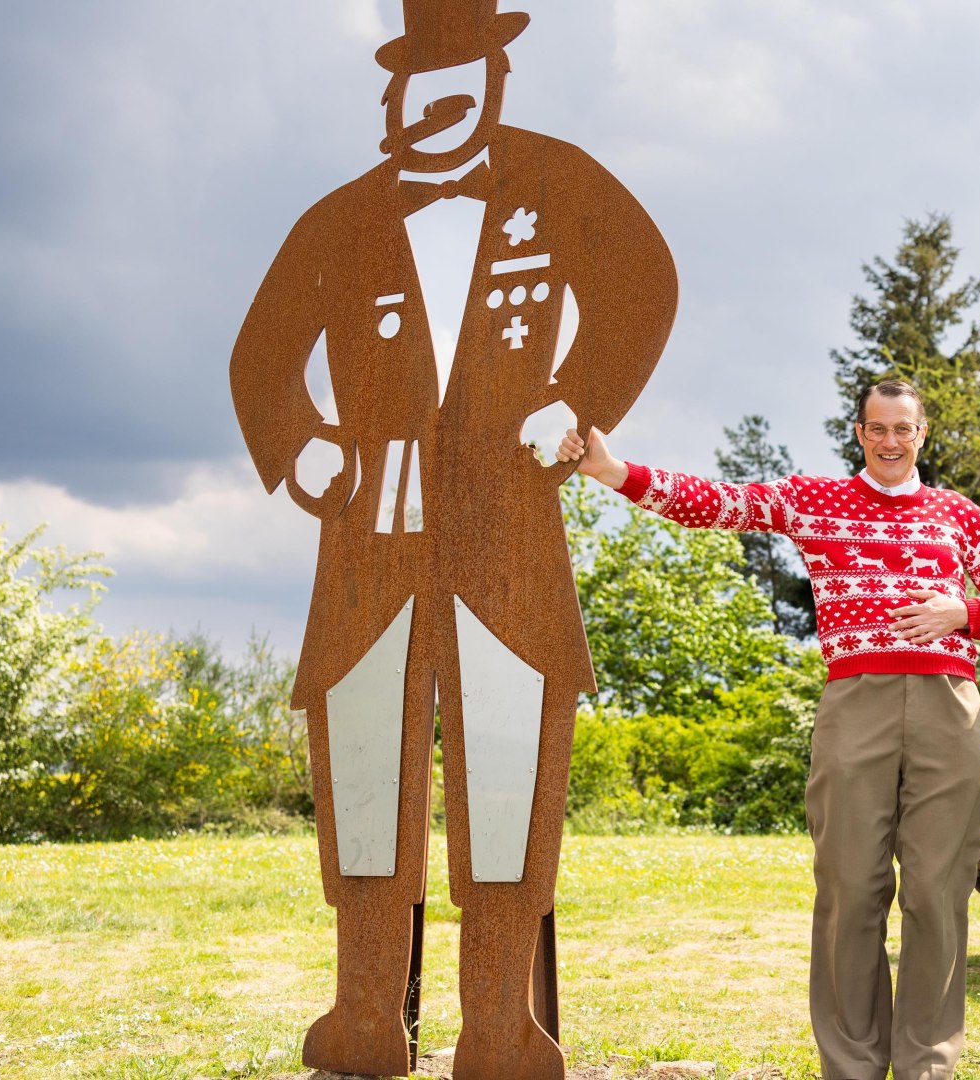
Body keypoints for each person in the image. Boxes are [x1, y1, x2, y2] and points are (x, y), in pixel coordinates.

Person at [228, 1, 678, 1075]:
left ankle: (498, 1026)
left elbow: (644, 288)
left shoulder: (563, 183)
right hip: (371, 542)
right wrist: (303, 448)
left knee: (512, 782)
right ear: (392, 95)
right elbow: (261, 356)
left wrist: (576, 402)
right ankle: (367, 1020)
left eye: (455, 78)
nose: (431, 103)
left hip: (508, 534)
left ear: (494, 77)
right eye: (414, 82)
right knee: (371, 774)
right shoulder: (339, 218)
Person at [557, 379, 980, 1080]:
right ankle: (853, 1067)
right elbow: (716, 504)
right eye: (879, 428)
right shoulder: (817, 500)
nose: (892, 441)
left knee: (936, 891)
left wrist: (961, 612)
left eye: (904, 429)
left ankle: (927, 1066)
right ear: (859, 433)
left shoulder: (957, 513)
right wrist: (612, 472)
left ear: (923, 433)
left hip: (949, 705)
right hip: (856, 703)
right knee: (850, 887)